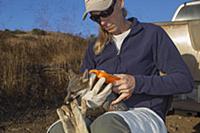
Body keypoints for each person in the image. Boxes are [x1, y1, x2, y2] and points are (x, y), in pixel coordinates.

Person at [80, 0, 194, 133]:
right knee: (59, 128)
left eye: (105, 12)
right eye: (95, 17)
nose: (102, 22)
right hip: (100, 112)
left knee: (107, 126)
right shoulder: (93, 47)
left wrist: (137, 83)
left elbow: (184, 81)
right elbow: (82, 84)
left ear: (120, 3)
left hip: (144, 112)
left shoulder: (152, 34)